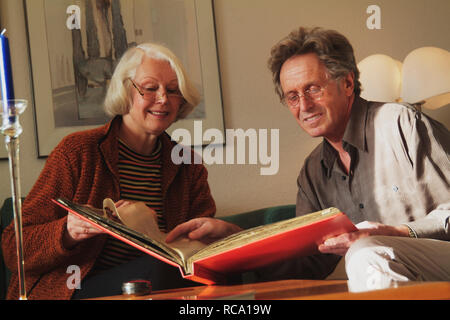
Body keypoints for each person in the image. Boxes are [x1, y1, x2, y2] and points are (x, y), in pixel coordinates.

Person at [1, 43, 240, 300]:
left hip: (153, 286)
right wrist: (67, 232)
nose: (163, 99)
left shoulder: (188, 166)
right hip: (75, 289)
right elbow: (13, 248)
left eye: (172, 90)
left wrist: (218, 235)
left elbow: (198, 258)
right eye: (150, 88)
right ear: (126, 91)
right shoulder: (78, 151)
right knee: (159, 272)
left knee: (213, 276)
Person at [262, 26, 450, 291]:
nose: (304, 107)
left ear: (348, 83)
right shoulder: (312, 171)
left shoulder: (402, 124)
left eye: (313, 89)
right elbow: (307, 261)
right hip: (389, 276)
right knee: (365, 254)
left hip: (442, 261)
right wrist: (233, 240)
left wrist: (396, 232)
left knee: (367, 250)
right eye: (292, 97)